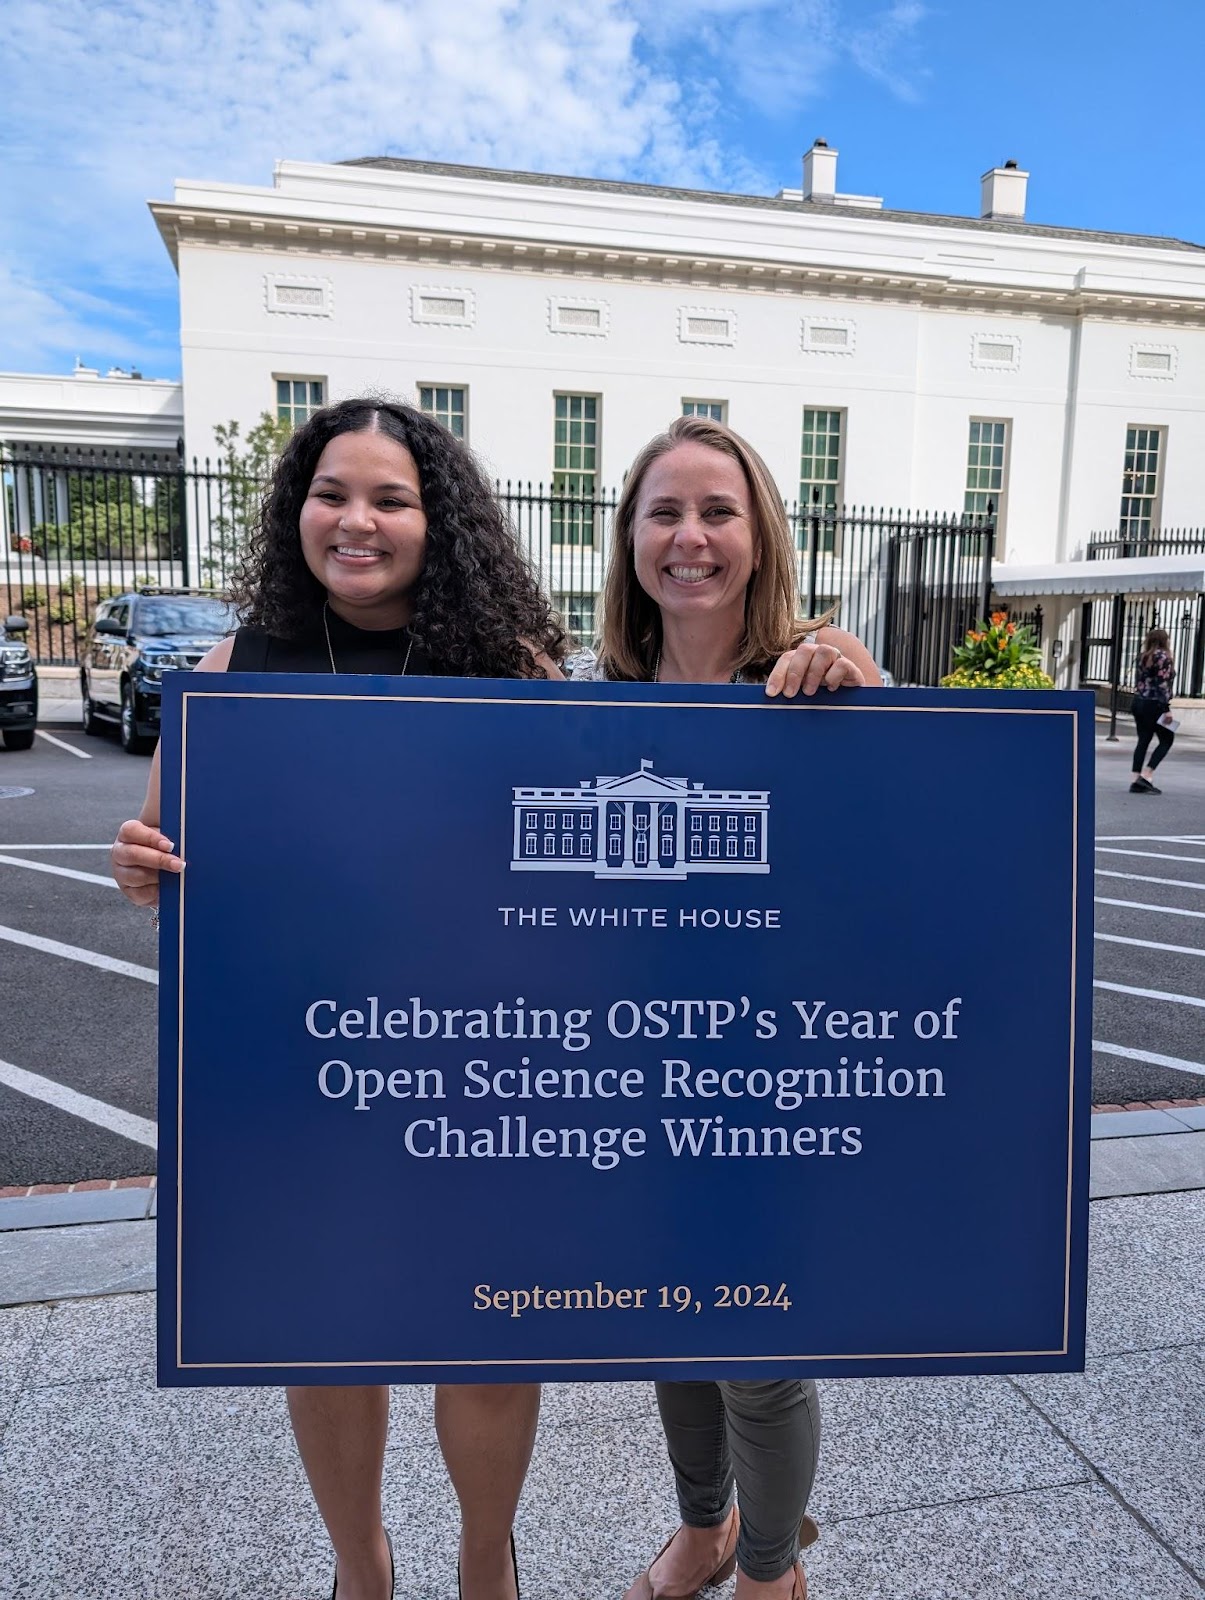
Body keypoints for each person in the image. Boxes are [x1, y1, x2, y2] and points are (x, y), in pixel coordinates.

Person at [110, 398, 567, 1600]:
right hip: (310, 1068)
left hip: (482, 1061)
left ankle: (484, 1559)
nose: (356, 520)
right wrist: (140, 863)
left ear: (440, 521)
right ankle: (360, 1564)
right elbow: (166, 850)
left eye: (391, 498)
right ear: (294, 509)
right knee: (326, 1332)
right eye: (331, 493)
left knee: (487, 1334)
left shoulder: (509, 670)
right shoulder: (232, 670)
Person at [576, 414, 880, 1600]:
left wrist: (873, 701)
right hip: (625, 1065)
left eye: (716, 511)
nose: (689, 537)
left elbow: (912, 852)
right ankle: (701, 1527)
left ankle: (767, 1570)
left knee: (756, 1343)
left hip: (774, 1067)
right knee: (668, 1318)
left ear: (759, 535)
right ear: (629, 540)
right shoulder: (590, 697)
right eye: (664, 512)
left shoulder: (811, 678)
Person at [1131, 627, 1176, 794]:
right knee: (1167, 738)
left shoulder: (1142, 657)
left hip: (1138, 702)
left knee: (1143, 739)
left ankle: (1135, 779)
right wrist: (1167, 709)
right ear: (1165, 641)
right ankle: (1147, 774)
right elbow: (1162, 684)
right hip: (1155, 705)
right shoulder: (1164, 657)